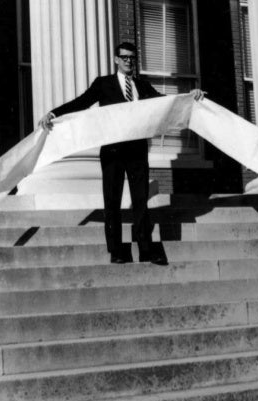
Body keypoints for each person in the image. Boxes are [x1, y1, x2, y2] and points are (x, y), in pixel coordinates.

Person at [39, 42, 205, 265]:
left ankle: (145, 249)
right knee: (112, 200)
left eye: (132, 58)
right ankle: (116, 251)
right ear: (116, 59)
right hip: (113, 151)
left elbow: (165, 102)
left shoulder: (142, 86)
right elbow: (82, 102)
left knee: (140, 200)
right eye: (124, 57)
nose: (129, 61)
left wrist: (189, 97)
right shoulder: (103, 84)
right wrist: (54, 113)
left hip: (137, 151)